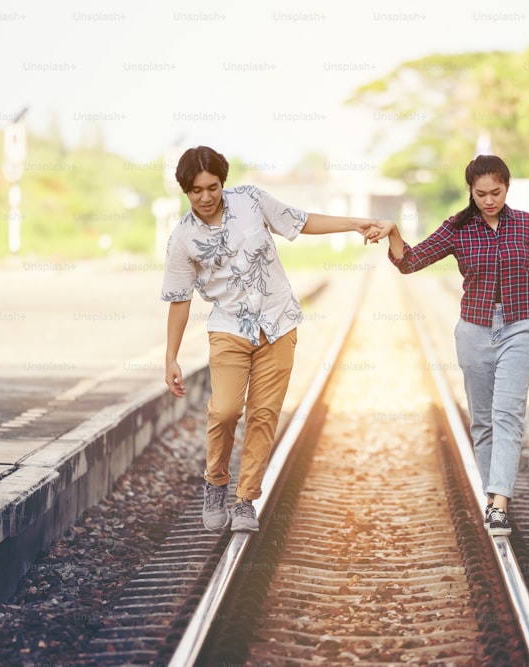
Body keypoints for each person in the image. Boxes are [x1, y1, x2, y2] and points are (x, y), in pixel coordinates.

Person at [366, 154, 529, 536]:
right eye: (481, 193)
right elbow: (411, 261)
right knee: (484, 421)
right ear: (470, 192)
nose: (489, 200)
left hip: (520, 327)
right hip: (474, 330)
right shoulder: (457, 229)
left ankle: (500, 503)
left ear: (507, 187)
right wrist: (392, 232)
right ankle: (493, 500)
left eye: (496, 192)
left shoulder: (526, 225)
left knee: (507, 413)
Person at [163, 145, 385, 533]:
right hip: (229, 328)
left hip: (278, 325)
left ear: (222, 183)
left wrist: (355, 223)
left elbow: (300, 222)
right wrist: (171, 357)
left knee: (264, 415)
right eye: (196, 190)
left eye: (212, 187)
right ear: (185, 191)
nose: (205, 197)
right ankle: (216, 483)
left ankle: (246, 499)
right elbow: (179, 300)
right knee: (225, 411)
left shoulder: (251, 200)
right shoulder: (182, 239)